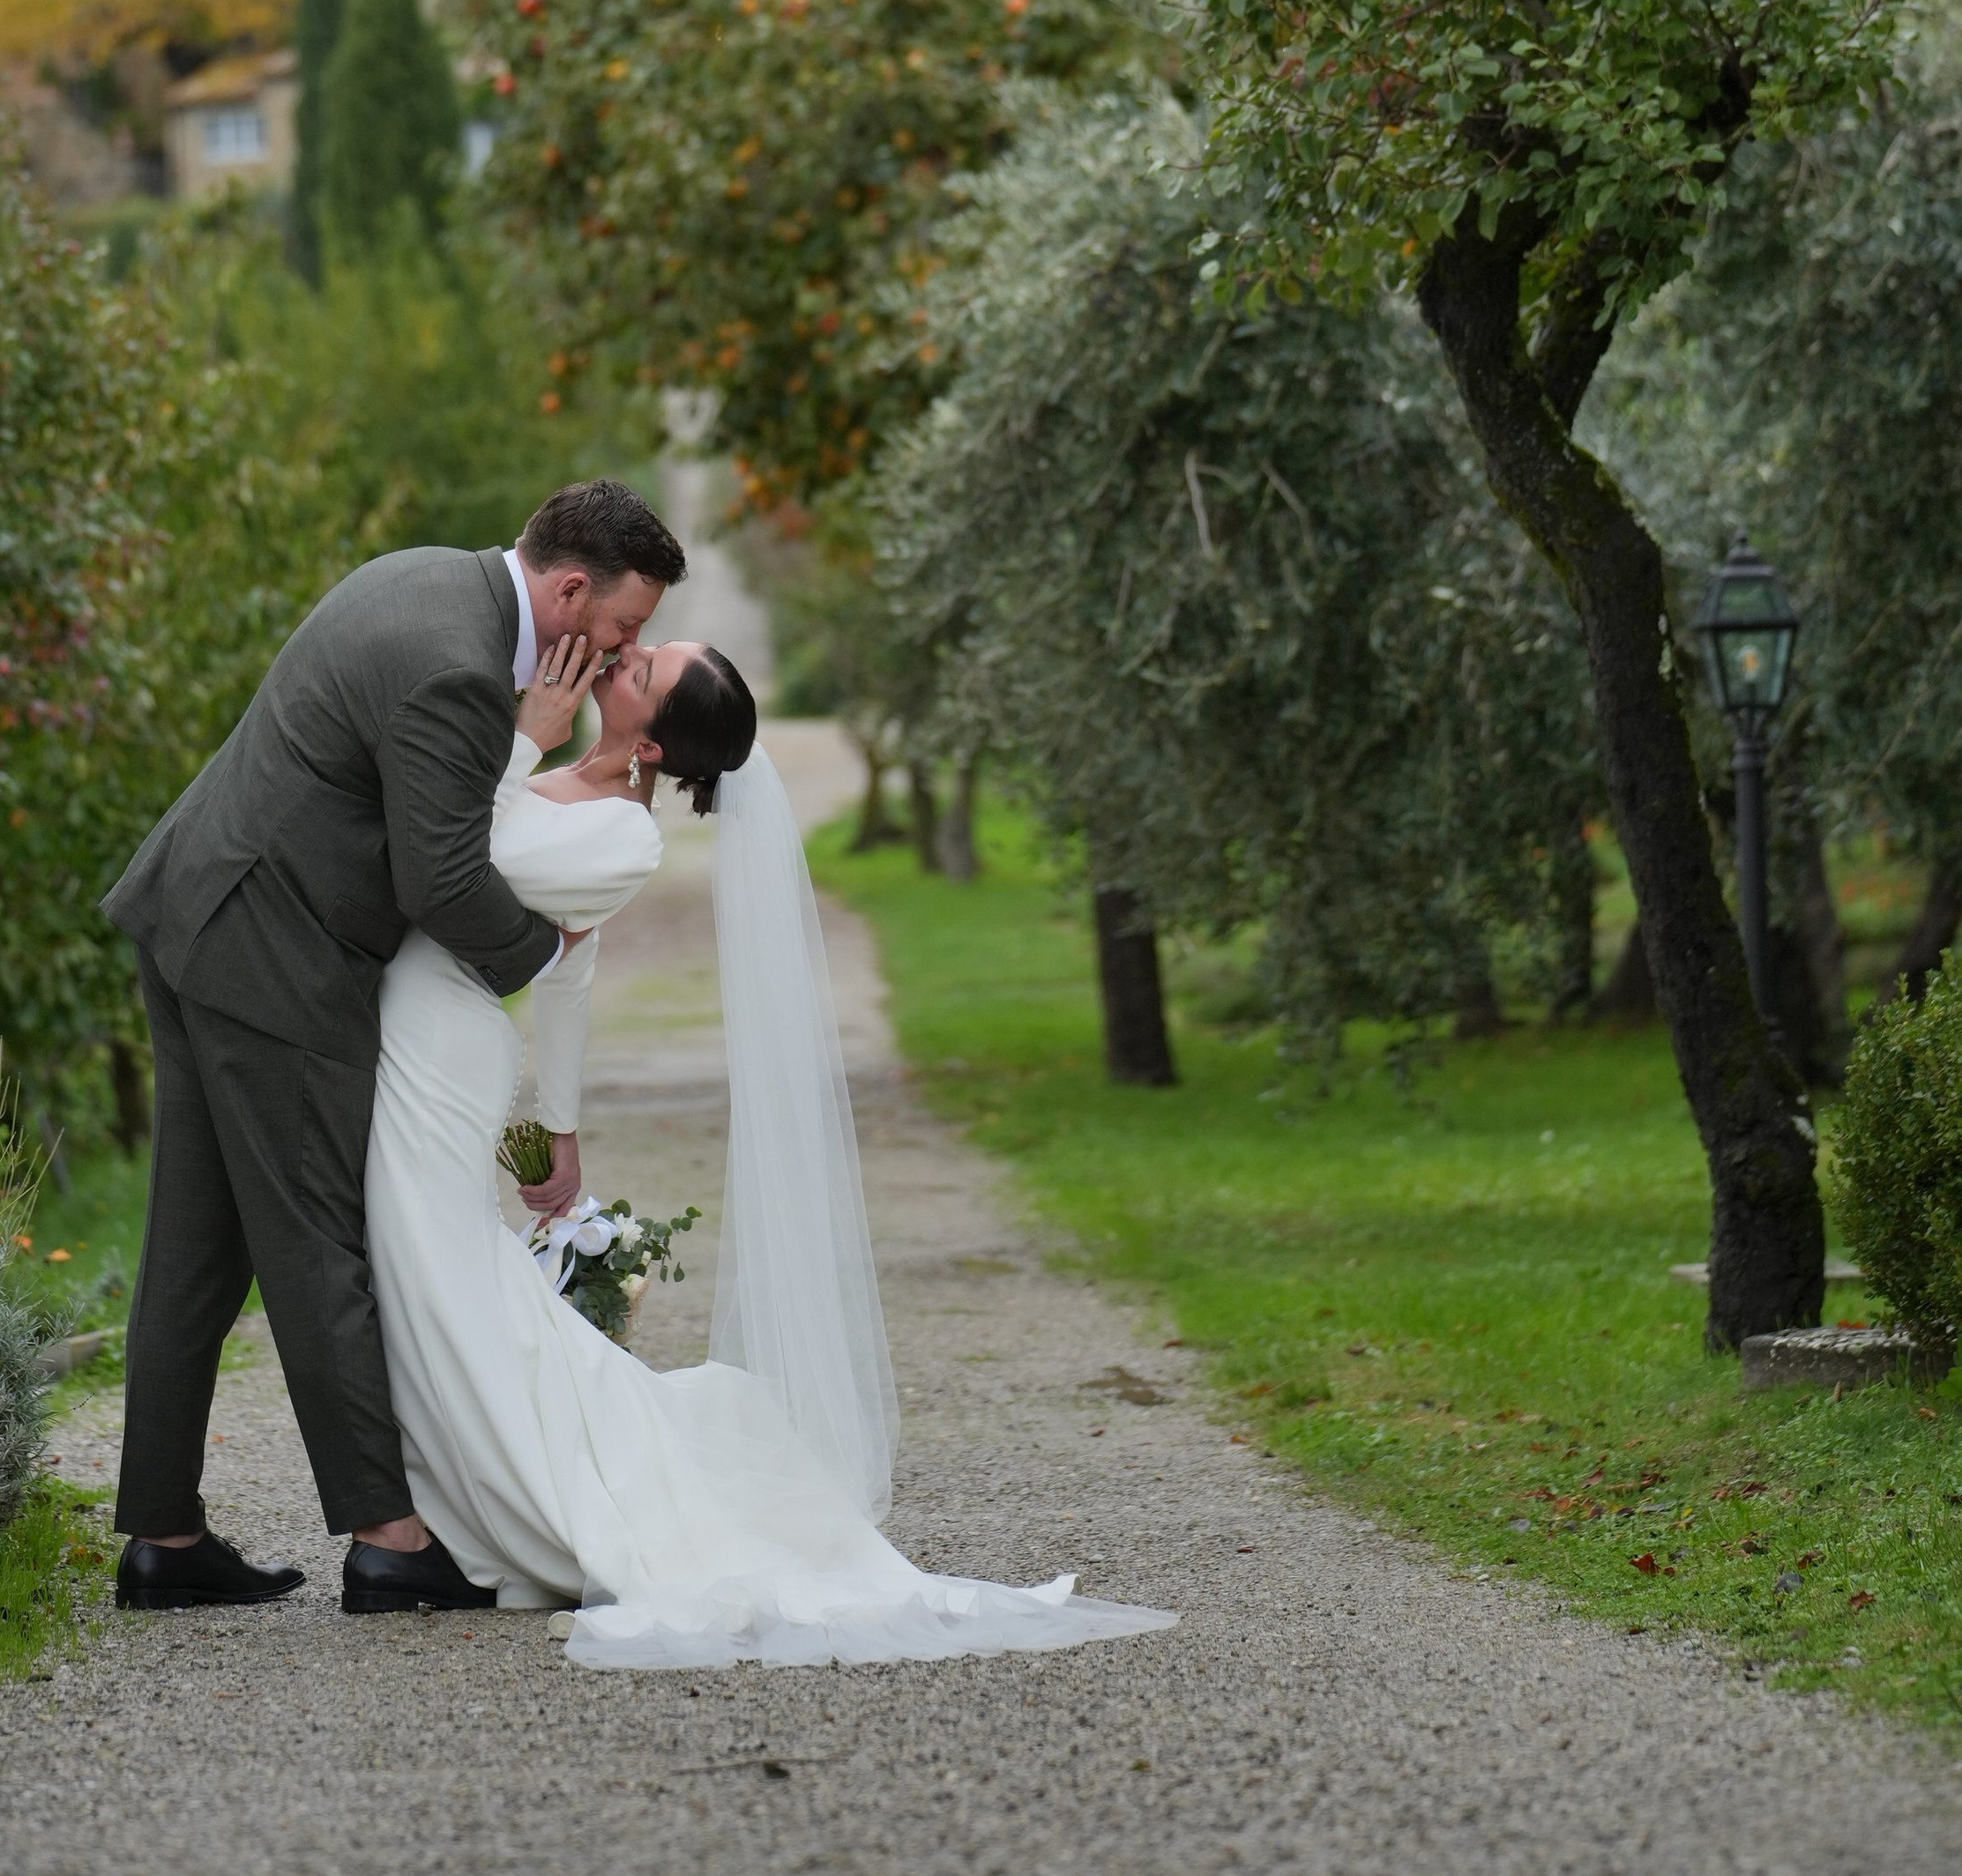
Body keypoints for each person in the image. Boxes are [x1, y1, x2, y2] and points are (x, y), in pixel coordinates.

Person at [364, 629, 1178, 1667]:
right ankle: (448, 1500)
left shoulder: (620, 835)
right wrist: (560, 1131)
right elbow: (552, 966)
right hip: (427, 1039)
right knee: (435, 1278)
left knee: (437, 1276)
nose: (626, 656)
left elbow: (455, 866)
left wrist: (518, 745)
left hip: (444, 1054)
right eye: (647, 645)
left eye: (645, 670)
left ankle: (461, 1513)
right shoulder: (572, 771)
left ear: (653, 746)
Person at [104, 478, 685, 1612]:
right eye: (624, 625)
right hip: (270, 956)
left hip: (196, 911)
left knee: (197, 1247)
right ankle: (388, 1540)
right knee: (318, 1243)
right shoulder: (462, 671)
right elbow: (446, 879)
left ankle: (163, 1542)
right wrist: (547, 947)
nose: (626, 646)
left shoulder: (429, 575)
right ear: (570, 590)